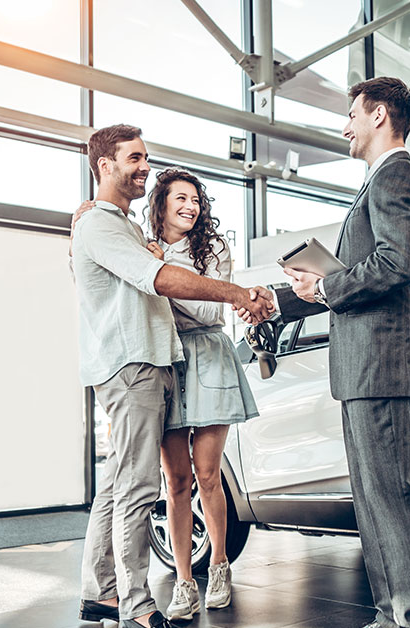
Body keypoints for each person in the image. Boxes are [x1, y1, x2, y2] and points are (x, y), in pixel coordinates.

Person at [239, 77, 410, 628]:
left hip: (381, 366)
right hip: (364, 369)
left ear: (380, 115)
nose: (346, 126)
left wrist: (327, 287)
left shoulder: (396, 177)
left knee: (391, 497)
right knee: (374, 502)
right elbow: (352, 275)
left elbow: (395, 265)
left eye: (353, 115)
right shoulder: (381, 181)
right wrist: (281, 300)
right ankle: (393, 615)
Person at [71, 124, 272, 628]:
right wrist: (232, 293)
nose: (144, 166)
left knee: (120, 485)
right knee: (141, 488)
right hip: (133, 367)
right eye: (134, 157)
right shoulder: (100, 225)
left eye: (146, 158)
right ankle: (137, 605)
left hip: (152, 363)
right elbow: (156, 278)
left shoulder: (120, 225)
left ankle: (100, 592)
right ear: (105, 165)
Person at [142, 168, 258, 620]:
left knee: (209, 475)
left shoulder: (214, 248)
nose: (190, 206)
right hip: (166, 360)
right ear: (162, 205)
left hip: (209, 356)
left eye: (195, 199)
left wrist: (165, 274)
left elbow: (210, 308)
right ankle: (185, 582)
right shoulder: (145, 248)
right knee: (175, 482)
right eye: (180, 199)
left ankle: (220, 565)